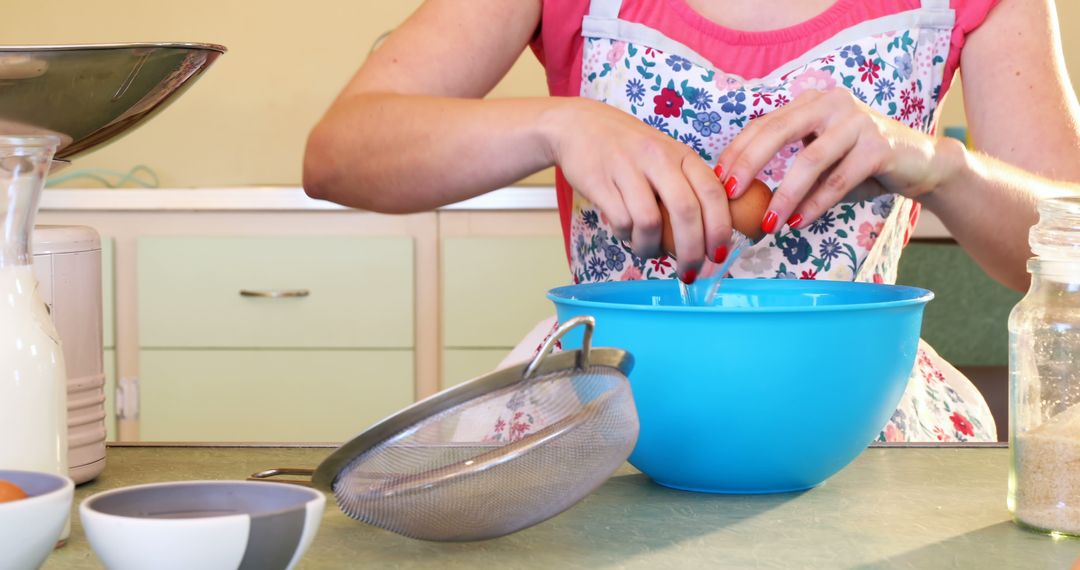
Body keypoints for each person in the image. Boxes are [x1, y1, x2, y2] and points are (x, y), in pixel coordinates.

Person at [303, 0, 1080, 443]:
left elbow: (1067, 247)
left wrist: (942, 165)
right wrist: (555, 124)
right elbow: (340, 154)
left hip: (856, 421)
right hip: (599, 420)